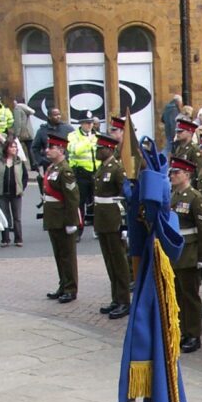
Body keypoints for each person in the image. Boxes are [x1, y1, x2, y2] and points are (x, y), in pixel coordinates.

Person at [168, 157, 202, 353]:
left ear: (187, 174)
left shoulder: (195, 198)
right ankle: (182, 331)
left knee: (190, 296)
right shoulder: (173, 195)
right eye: (171, 172)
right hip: (176, 253)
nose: (172, 175)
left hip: (190, 253)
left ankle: (193, 334)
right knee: (177, 295)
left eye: (176, 172)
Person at [91, 130, 131, 320]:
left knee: (119, 262)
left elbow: (124, 197)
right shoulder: (102, 168)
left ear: (109, 149)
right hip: (103, 220)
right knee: (109, 261)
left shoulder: (117, 169)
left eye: (100, 148)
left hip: (114, 220)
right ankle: (116, 298)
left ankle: (124, 300)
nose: (97, 151)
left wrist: (124, 225)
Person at [41, 133, 81, 303]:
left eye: (51, 148)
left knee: (67, 255)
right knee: (59, 254)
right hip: (53, 217)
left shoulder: (65, 170)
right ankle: (63, 284)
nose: (47, 150)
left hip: (63, 218)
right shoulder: (52, 168)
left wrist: (72, 222)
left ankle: (71, 288)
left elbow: (72, 198)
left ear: (60, 149)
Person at [0, 134, 29, 247]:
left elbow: (25, 177)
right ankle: (5, 239)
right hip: (2, 193)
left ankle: (18, 238)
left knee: (17, 217)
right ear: (6, 149)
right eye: (11, 147)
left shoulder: (19, 162)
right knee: (5, 216)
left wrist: (21, 187)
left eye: (15, 147)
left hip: (16, 193)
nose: (14, 149)